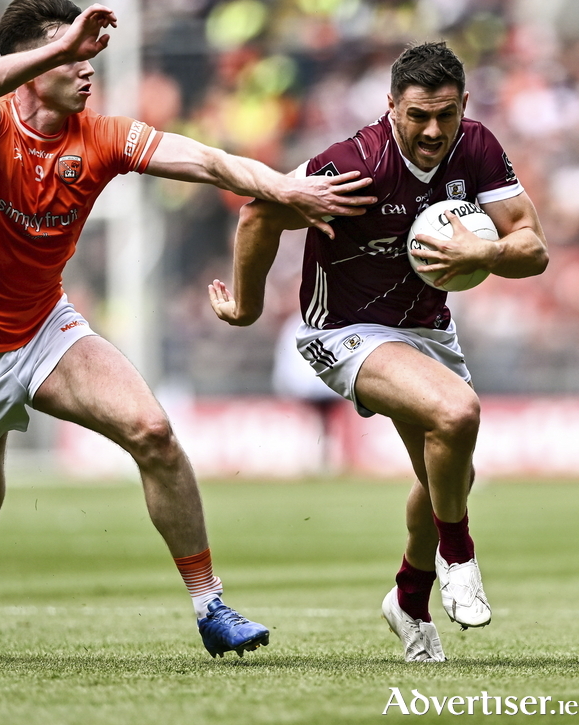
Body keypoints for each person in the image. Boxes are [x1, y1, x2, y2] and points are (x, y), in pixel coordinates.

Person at [0, 0, 377, 660]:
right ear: (31, 63)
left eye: (87, 56)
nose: (87, 67)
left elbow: (212, 163)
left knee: (154, 433)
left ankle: (210, 605)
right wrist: (61, 45)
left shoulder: (101, 137)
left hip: (45, 329)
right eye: (73, 57)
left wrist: (285, 188)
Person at [209, 42, 548, 662]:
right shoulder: (355, 166)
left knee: (448, 475)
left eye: (446, 114)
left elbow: (534, 247)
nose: (433, 130)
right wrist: (248, 309)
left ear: (464, 105)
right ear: (390, 106)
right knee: (458, 412)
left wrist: (487, 253)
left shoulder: (476, 148)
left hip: (426, 331)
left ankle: (410, 599)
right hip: (343, 331)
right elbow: (259, 216)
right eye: (418, 115)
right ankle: (459, 556)